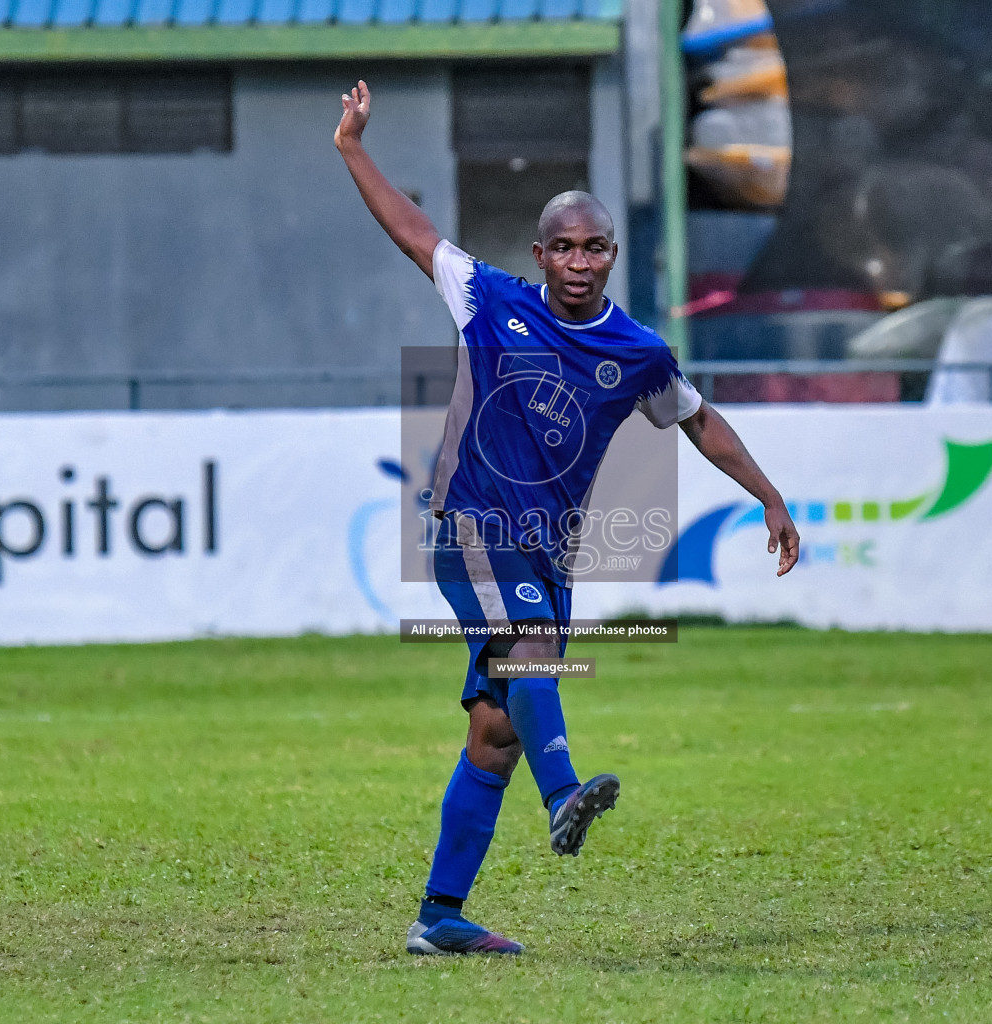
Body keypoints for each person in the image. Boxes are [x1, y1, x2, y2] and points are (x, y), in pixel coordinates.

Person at [335, 80, 799, 956]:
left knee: (497, 729)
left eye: (596, 248)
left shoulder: (638, 352)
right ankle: (565, 799)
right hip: (468, 530)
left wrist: (768, 496)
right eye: (565, 248)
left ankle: (439, 918)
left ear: (611, 255)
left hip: (547, 553)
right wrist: (353, 148)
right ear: (541, 254)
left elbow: (698, 418)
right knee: (534, 650)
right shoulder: (486, 299)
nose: (581, 261)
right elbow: (412, 231)